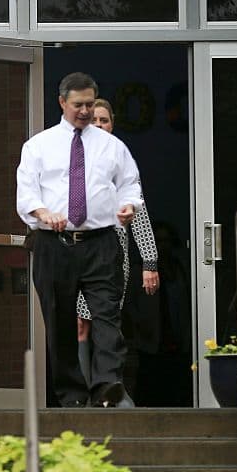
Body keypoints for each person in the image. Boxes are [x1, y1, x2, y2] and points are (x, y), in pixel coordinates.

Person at [16, 73, 142, 408]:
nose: (85, 111)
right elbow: (26, 195)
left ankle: (107, 387)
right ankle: (71, 396)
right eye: (78, 105)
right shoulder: (38, 146)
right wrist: (43, 213)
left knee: (106, 316)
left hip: (101, 242)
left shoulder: (112, 147)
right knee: (59, 322)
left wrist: (129, 206)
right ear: (62, 103)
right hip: (53, 244)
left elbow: (130, 184)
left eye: (89, 104)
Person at [74, 98, 159, 400]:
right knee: (81, 325)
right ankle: (83, 398)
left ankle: (110, 393)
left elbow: (140, 214)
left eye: (104, 120)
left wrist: (149, 262)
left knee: (108, 325)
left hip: (112, 259)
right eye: (93, 120)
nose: (99, 125)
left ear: (112, 124)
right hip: (76, 256)